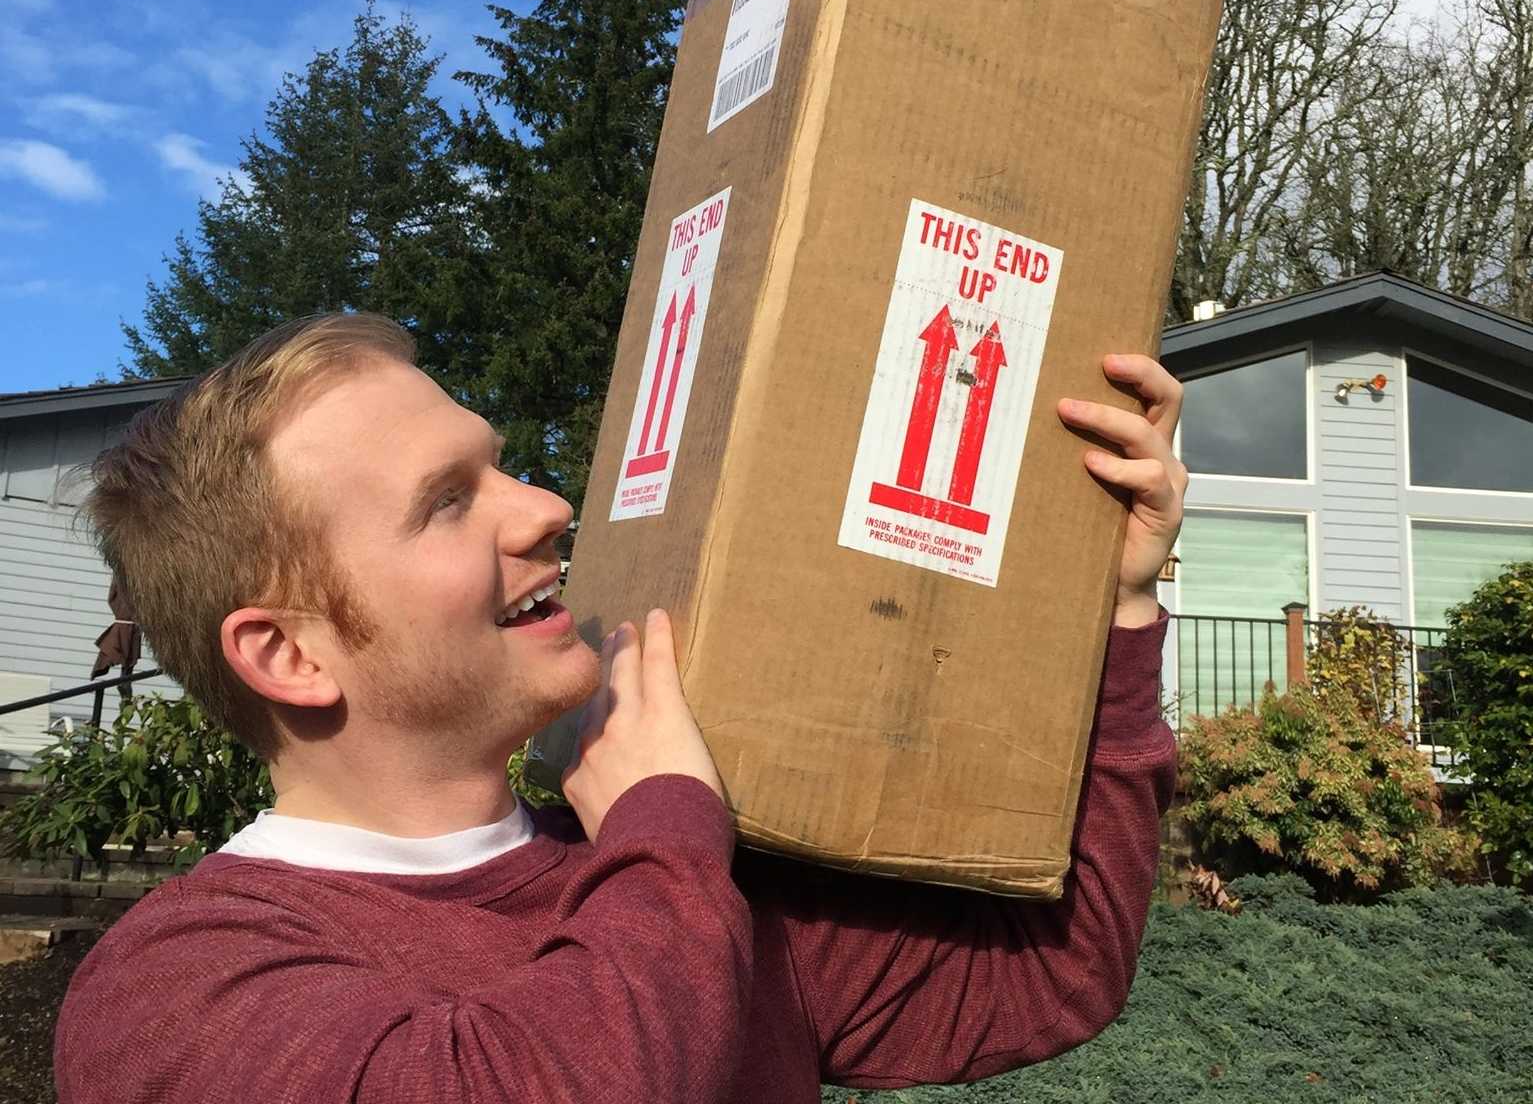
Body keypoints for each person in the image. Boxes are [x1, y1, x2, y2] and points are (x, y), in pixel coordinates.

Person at [55, 313, 1188, 1103]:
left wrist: (1118, 609)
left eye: (500, 466)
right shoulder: (178, 988)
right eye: (447, 504)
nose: (545, 506)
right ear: (290, 655)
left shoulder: (676, 874)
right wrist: (663, 832)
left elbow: (1054, 973)